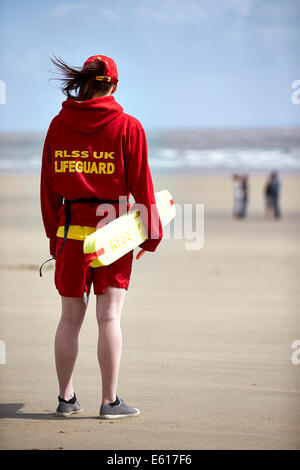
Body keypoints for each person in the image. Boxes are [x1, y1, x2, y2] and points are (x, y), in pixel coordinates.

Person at [40, 54, 163, 419]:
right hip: (114, 235)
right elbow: (143, 185)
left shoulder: (58, 125)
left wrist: (54, 237)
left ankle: (66, 399)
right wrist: (149, 236)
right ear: (114, 85)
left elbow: (48, 188)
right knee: (109, 319)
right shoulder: (128, 127)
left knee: (69, 319)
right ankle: (109, 402)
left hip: (70, 233)